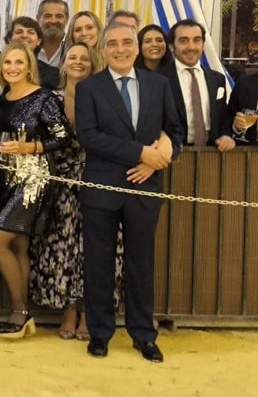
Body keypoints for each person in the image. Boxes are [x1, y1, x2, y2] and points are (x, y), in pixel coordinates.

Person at [77, 22, 182, 362]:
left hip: (145, 188)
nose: (120, 49)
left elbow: (175, 131)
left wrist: (158, 159)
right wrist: (140, 153)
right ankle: (100, 333)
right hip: (102, 187)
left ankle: (143, 335)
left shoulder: (159, 84)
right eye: (112, 44)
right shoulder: (89, 88)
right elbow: (89, 137)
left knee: (141, 264)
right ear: (102, 49)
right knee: (98, 263)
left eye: (126, 42)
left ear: (137, 47)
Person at [0, 42, 74, 339]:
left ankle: (19, 311)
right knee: (19, 246)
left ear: (29, 67)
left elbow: (63, 137)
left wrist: (30, 147)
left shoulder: (43, 97)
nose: (12, 67)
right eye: (7, 62)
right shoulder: (3, 98)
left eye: (18, 62)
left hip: (33, 179)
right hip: (5, 176)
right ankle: (25, 313)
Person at [29, 42, 106, 341]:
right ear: (63, 64)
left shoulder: (102, 95)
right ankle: (69, 311)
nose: (77, 62)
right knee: (63, 250)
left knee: (93, 249)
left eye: (84, 58)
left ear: (93, 63)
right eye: (72, 57)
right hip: (58, 185)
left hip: (96, 180)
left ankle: (89, 312)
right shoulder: (51, 98)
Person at [161, 19, 232, 150]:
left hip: (212, 153)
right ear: (171, 46)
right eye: (183, 41)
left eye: (197, 40)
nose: (191, 47)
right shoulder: (158, 79)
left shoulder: (217, 79)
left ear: (203, 44)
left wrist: (226, 135)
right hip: (173, 154)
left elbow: (223, 116)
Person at [9, 16, 61, 89]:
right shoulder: (1, 68)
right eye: (19, 32)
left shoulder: (52, 74)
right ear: (10, 39)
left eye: (30, 32)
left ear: (39, 41)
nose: (24, 35)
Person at [37, 0, 69, 67]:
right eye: (48, 16)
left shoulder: (73, 47)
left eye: (59, 16)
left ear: (67, 19)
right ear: (38, 19)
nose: (53, 21)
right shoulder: (29, 48)